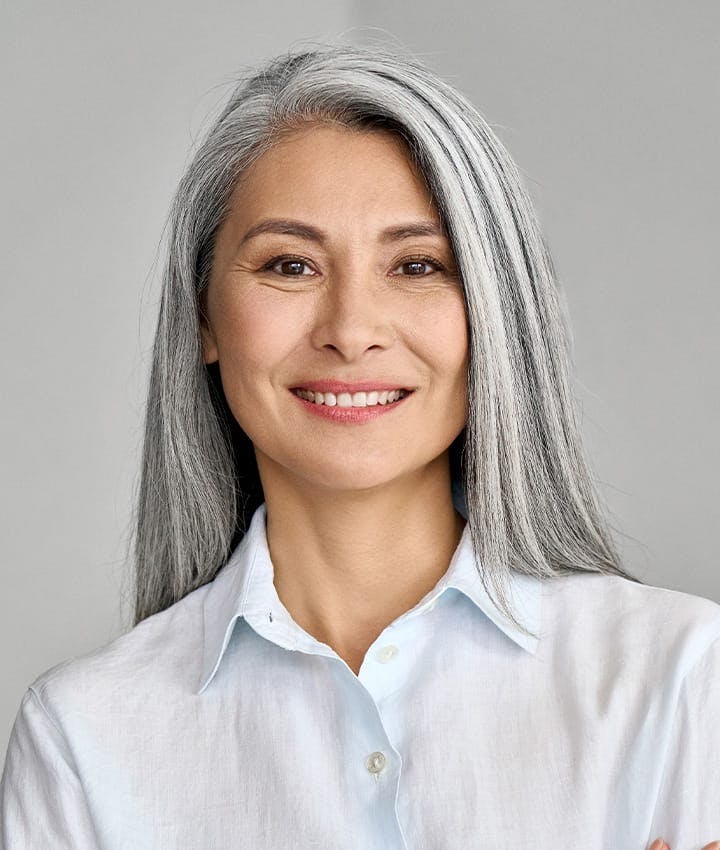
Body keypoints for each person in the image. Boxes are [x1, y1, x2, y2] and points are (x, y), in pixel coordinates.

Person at [1, 43, 718, 850]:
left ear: (494, 310)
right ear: (203, 315)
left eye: (417, 265)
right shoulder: (82, 741)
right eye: (291, 265)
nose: (350, 331)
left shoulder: (688, 679)